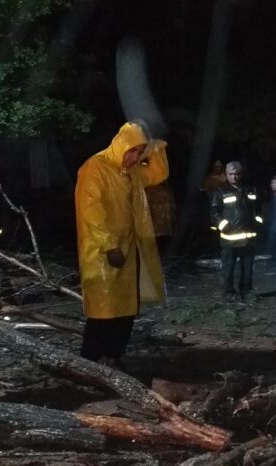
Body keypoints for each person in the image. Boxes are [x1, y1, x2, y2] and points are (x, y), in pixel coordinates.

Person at [75, 122, 169, 366]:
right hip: (101, 252)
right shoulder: (95, 168)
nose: (135, 157)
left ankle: (114, 356)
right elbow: (91, 211)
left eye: (140, 152)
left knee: (126, 309)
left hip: (128, 248)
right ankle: (90, 361)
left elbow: (158, 174)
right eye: (133, 150)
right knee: (102, 312)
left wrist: (155, 148)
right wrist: (109, 246)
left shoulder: (132, 171)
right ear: (120, 145)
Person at [210, 161, 262, 302]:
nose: (234, 177)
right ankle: (229, 293)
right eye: (231, 174)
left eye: (237, 173)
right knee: (228, 269)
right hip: (229, 239)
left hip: (249, 239)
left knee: (247, 270)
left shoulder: (250, 190)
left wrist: (257, 222)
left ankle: (246, 292)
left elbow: (258, 209)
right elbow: (214, 212)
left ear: (241, 174)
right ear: (226, 175)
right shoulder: (221, 192)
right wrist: (224, 225)